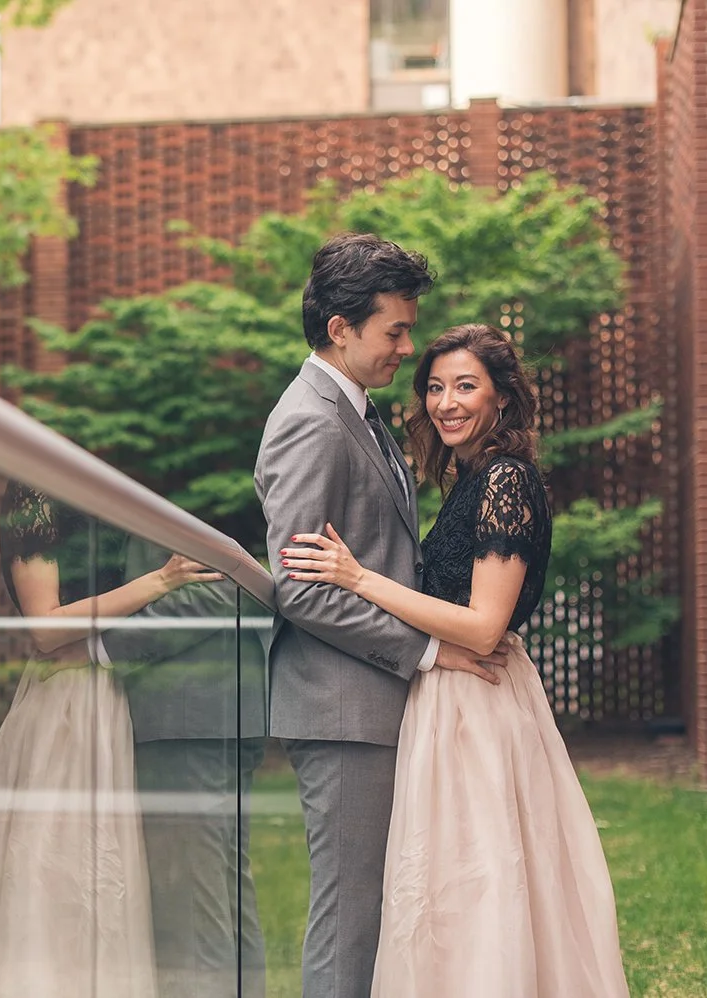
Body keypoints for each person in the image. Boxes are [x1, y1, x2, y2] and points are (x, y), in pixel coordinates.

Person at [281, 323, 630, 997]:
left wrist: (357, 579)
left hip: (481, 706)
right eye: (434, 387)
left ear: (502, 397)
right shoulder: (468, 481)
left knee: (478, 884)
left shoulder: (505, 481)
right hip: (448, 701)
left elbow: (482, 626)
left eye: (465, 386)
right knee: (440, 886)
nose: (446, 402)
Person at [253, 233, 507, 998]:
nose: (406, 346)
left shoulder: (357, 413)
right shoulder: (310, 420)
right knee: (350, 915)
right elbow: (298, 587)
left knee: (383, 907)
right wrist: (427, 653)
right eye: (394, 331)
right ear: (341, 328)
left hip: (371, 703)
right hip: (341, 712)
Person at [0, 481, 223, 998]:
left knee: (100, 863)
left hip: (105, 692)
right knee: (51, 859)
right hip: (61, 701)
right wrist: (160, 582)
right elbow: (43, 628)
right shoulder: (32, 500)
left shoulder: (98, 491)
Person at [96, 534, 268, 998]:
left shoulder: (180, 493)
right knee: (223, 899)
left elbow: (229, 586)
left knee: (194, 908)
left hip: (190, 717)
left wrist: (108, 649)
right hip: (212, 713)